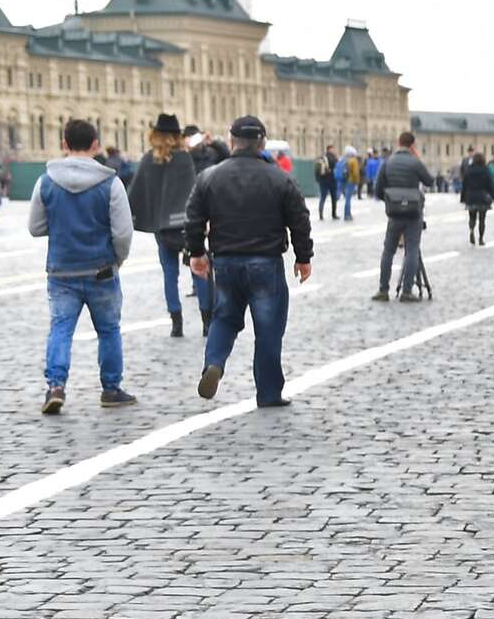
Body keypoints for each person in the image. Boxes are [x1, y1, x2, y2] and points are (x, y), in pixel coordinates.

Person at [188, 117, 312, 407]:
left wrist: (196, 253)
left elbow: (193, 218)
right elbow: (299, 220)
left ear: (231, 142)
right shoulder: (279, 177)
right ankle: (268, 393)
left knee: (225, 317)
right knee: (268, 327)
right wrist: (303, 257)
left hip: (226, 260)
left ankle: (214, 363)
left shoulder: (209, 176)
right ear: (262, 143)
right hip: (265, 262)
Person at [30, 118, 136, 413]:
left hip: (61, 270)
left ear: (63, 144)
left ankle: (56, 386)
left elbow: (35, 227)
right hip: (101, 269)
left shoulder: (45, 181)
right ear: (95, 145)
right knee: (109, 330)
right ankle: (111, 389)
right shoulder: (111, 183)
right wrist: (118, 259)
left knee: (61, 329)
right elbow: (123, 232)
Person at [127, 114, 205, 338]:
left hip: (162, 228)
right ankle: (206, 320)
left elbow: (135, 193)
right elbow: (193, 192)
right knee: (199, 270)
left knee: (169, 275)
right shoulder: (184, 159)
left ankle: (176, 323)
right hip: (185, 226)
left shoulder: (148, 160)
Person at [372, 131, 435, 302]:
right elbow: (430, 181)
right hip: (414, 213)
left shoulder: (388, 163)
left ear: (398, 142)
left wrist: (390, 197)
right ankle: (407, 291)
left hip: (394, 213)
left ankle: (383, 290)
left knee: (388, 251)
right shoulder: (415, 163)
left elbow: (377, 190)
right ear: (412, 145)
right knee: (412, 250)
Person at [460, 151, 494, 245]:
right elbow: (490, 185)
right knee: (482, 219)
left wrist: (463, 198)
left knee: (472, 217)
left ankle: (471, 230)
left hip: (471, 196)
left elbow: (464, 185)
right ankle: (481, 239)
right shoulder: (486, 170)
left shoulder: (469, 170)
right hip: (482, 197)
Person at [313, 145, 339, 221]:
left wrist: (318, 179)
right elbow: (336, 166)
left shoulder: (322, 157)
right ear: (330, 149)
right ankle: (334, 214)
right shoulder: (333, 157)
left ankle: (321, 214)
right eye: (333, 149)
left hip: (323, 180)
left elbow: (317, 170)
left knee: (323, 197)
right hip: (331, 180)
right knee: (333, 198)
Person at [334, 146, 357, 222]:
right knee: (348, 199)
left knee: (342, 196)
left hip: (342, 180)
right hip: (350, 181)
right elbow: (355, 173)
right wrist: (356, 181)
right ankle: (347, 215)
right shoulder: (353, 160)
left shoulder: (342, 160)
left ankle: (336, 211)